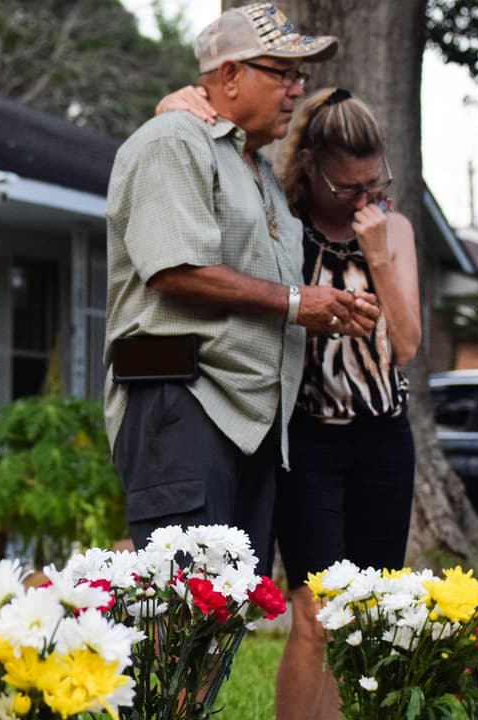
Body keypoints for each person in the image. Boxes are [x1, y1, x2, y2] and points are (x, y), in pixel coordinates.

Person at [157, 85, 421, 719]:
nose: (363, 199)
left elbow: (406, 344)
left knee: (367, 614)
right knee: (315, 613)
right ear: (313, 169)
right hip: (306, 439)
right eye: (347, 187)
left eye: (373, 182)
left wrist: (379, 254)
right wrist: (174, 105)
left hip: (385, 439)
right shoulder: (281, 225)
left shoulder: (395, 228)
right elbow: (212, 146)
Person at [104, 1, 380, 582]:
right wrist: (300, 303)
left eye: (299, 77)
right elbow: (174, 270)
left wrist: (324, 306)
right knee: (181, 614)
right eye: (281, 73)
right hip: (183, 402)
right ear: (228, 76)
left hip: (249, 420)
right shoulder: (174, 141)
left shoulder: (253, 168)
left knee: (222, 613)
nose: (295, 89)